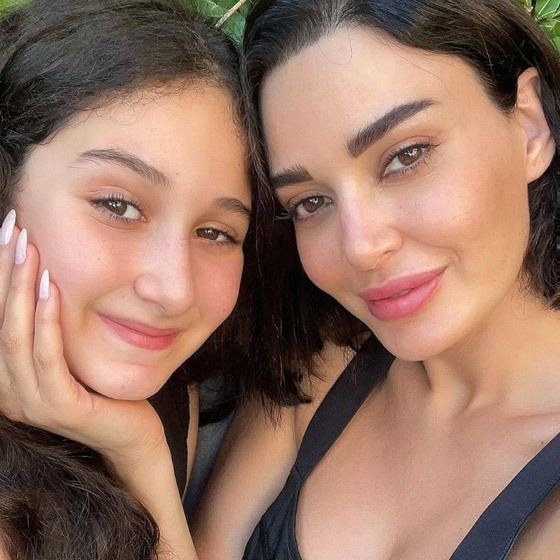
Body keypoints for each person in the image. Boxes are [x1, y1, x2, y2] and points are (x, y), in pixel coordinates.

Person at [193, 0, 560, 558]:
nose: (361, 248)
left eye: (406, 156)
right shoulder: (324, 367)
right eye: (311, 202)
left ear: (530, 127)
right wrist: (138, 454)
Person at [0, 0, 259, 557]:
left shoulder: (164, 396)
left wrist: (140, 453)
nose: (174, 291)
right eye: (118, 206)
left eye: (215, 233)